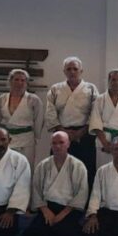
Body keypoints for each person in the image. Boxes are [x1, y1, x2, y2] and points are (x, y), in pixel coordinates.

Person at [22, 131, 89, 236]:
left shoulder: (78, 166)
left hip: (69, 208)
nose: (57, 146)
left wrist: (62, 215)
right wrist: (45, 210)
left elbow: (82, 192)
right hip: (48, 207)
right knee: (31, 234)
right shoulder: (43, 165)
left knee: (66, 233)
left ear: (68, 144)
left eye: (61, 142)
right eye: (54, 143)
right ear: (51, 145)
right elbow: (36, 190)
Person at [45, 56, 100, 191]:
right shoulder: (55, 89)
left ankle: (86, 200)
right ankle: (58, 198)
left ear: (81, 71)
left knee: (86, 169)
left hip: (85, 134)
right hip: (61, 132)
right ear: (64, 71)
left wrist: (81, 131)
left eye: (75, 69)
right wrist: (62, 131)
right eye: (69, 69)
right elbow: (50, 111)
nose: (72, 72)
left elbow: (96, 111)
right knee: (59, 168)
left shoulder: (91, 88)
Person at [0, 69, 43, 166]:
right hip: (7, 139)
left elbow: (39, 119)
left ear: (26, 83)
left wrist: (36, 137)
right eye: (16, 79)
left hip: (26, 140)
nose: (19, 83)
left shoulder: (33, 99)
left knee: (26, 167)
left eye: (23, 80)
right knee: (6, 167)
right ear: (10, 81)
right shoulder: (2, 99)